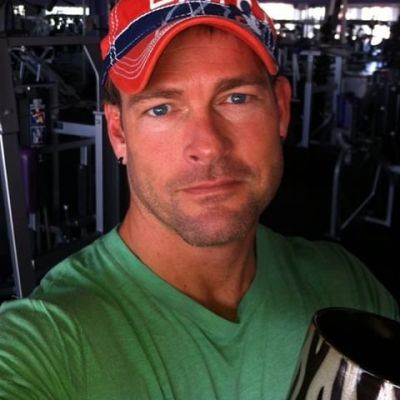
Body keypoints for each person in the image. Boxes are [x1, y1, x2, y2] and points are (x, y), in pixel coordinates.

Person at [0, 1, 398, 399]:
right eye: (161, 109)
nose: (208, 146)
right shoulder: (47, 341)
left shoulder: (349, 292)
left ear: (280, 108)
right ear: (118, 133)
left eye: (236, 98)